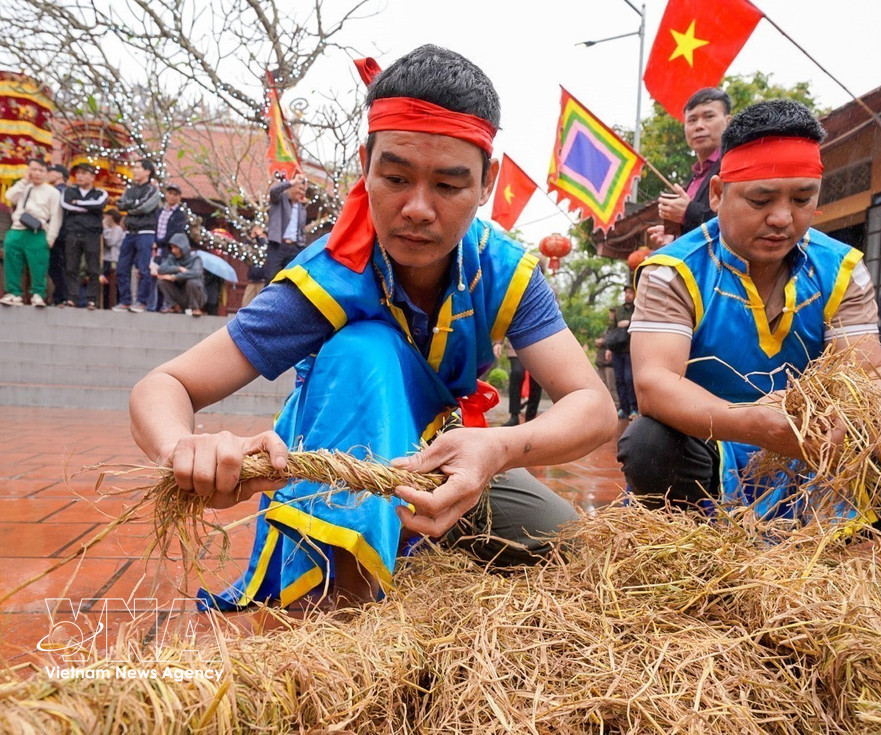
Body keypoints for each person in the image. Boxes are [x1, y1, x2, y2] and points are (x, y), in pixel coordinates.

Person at [129, 45, 616, 611]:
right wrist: (183, 449)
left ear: (489, 181)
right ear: (366, 164)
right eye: (396, 177)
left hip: (447, 456)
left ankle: (415, 544)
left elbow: (593, 406)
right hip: (342, 473)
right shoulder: (328, 280)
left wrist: (497, 449)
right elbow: (164, 386)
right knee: (365, 347)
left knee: (565, 548)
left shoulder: (503, 270)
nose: (417, 208)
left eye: (449, 186)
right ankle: (346, 607)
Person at [618, 99, 881, 527]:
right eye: (760, 200)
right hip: (716, 439)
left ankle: (817, 542)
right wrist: (757, 423)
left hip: (819, 443)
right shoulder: (675, 270)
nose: (782, 218)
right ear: (719, 193)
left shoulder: (840, 268)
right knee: (650, 443)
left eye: (802, 199)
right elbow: (655, 385)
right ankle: (702, 540)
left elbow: (868, 368)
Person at [648, 88, 732, 248]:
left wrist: (688, 212)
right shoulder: (694, 179)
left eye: (709, 117)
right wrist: (675, 236)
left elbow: (737, 223)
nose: (699, 126)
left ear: (728, 122)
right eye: (692, 120)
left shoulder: (735, 166)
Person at [1, 158, 63, 307]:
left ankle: (38, 294)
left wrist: (51, 237)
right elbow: (9, 197)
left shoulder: (52, 192)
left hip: (38, 231)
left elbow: (56, 216)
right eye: (33, 169)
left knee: (38, 265)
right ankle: (14, 293)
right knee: (12, 262)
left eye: (40, 170)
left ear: (46, 173)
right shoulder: (24, 186)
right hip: (17, 229)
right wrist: (23, 181)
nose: (37, 173)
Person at [113, 159, 161, 313]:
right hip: (129, 232)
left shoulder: (153, 191)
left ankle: (142, 302)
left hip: (145, 233)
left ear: (147, 171)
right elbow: (120, 204)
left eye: (138, 167)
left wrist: (130, 207)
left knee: (144, 268)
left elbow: (146, 208)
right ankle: (125, 301)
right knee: (121, 267)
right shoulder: (130, 190)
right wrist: (133, 206)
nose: (134, 170)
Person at [60, 162, 109, 309]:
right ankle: (72, 299)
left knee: (93, 268)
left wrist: (78, 203)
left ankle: (91, 299)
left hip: (92, 234)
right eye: (78, 173)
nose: (80, 176)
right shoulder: (68, 191)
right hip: (73, 232)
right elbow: (66, 205)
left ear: (92, 177)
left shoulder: (100, 193)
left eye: (84, 173)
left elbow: (99, 205)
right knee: (71, 267)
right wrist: (88, 206)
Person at [150, 182, 189, 312]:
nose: (172, 197)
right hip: (155, 251)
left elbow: (175, 233)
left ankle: (166, 305)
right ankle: (152, 305)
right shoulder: (159, 211)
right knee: (152, 277)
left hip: (169, 251)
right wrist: (154, 242)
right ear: (166, 194)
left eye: (175, 194)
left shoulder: (180, 215)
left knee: (165, 278)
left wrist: (160, 242)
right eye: (170, 193)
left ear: (179, 197)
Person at [263, 172, 308, 282]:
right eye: (299, 188)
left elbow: (301, 231)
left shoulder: (302, 210)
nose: (301, 192)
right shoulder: (279, 199)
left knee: (290, 280)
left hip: (294, 247)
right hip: (278, 244)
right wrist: (292, 181)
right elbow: (273, 191)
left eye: (303, 190)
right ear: (291, 187)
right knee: (270, 277)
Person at [606, 285, 638, 419]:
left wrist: (629, 322)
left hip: (631, 349)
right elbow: (612, 329)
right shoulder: (618, 310)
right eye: (626, 292)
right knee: (619, 380)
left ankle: (634, 409)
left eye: (631, 292)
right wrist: (608, 348)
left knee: (629, 379)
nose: (628, 295)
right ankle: (623, 408)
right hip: (618, 350)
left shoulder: (638, 309)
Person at [155, 232, 205, 317]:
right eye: (171, 248)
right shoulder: (172, 258)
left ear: (183, 247)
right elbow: (161, 269)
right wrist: (178, 268)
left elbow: (196, 272)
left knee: (192, 281)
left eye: (176, 247)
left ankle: (195, 308)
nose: (173, 250)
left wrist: (174, 277)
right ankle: (174, 306)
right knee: (162, 281)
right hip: (179, 293)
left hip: (194, 295)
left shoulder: (195, 259)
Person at [500, 337, 542, 426]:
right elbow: (502, 323)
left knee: (537, 378)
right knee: (517, 372)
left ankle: (530, 418)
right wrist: (498, 342)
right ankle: (514, 416)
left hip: (538, 342)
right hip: (516, 340)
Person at [46, 163, 70, 306]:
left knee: (56, 266)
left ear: (60, 174)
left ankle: (61, 296)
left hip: (58, 233)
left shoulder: (58, 191)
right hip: (63, 233)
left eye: (51, 171)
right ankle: (59, 296)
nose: (48, 174)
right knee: (59, 266)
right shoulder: (65, 191)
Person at [100, 208, 125, 308]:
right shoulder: (109, 229)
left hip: (113, 259)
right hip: (106, 258)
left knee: (114, 283)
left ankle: (114, 302)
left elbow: (111, 242)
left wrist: (106, 228)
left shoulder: (117, 229)